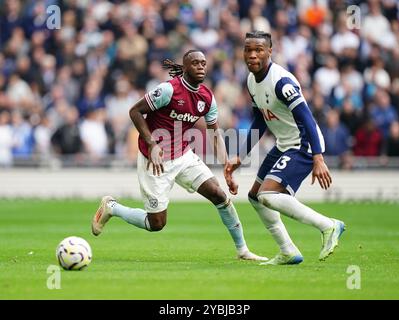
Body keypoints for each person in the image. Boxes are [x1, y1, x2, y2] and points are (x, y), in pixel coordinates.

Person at [91, 49, 267, 261]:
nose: (201, 66)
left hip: (184, 155)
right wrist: (152, 143)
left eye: (203, 63)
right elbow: (134, 111)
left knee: (219, 195)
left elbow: (215, 134)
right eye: (195, 63)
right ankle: (112, 207)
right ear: (184, 68)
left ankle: (242, 250)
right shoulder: (168, 90)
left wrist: (226, 166)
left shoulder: (207, 97)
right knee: (156, 224)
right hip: (154, 160)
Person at [224, 31, 345, 265]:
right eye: (248, 49)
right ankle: (288, 251)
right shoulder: (251, 81)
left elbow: (308, 119)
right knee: (255, 197)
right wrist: (241, 155)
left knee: (268, 195)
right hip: (284, 144)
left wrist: (318, 157)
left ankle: (329, 225)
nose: (252, 55)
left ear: (270, 51)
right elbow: (261, 120)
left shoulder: (282, 82)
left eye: (259, 49)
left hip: (304, 144)